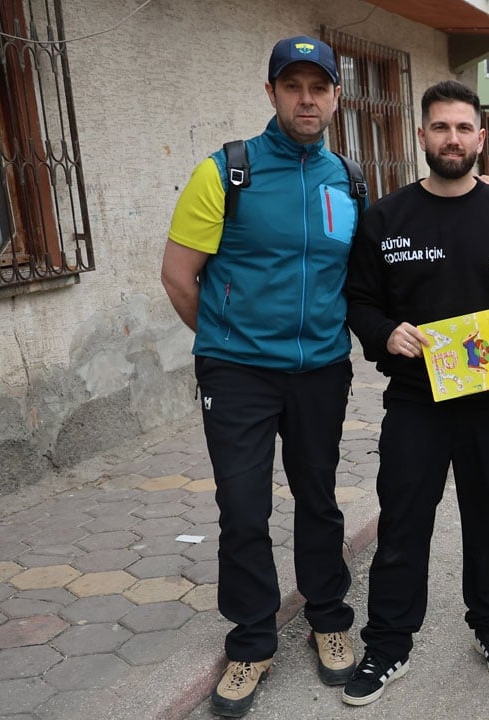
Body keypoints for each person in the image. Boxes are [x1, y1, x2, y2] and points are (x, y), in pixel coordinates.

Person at [161, 35, 360, 718]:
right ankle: (250, 642)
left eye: (319, 86)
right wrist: (226, 343)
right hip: (239, 373)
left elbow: (356, 278)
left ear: (336, 95)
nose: (307, 98)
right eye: (293, 85)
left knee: (319, 499)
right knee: (244, 508)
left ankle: (329, 620)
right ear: (271, 93)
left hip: (322, 371)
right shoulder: (226, 171)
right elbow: (178, 276)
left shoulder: (348, 180)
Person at [340, 80, 489, 706]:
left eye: (463, 128)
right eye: (440, 127)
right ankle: (388, 645)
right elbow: (359, 299)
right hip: (415, 402)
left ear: (480, 139)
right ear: (422, 135)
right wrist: (385, 333)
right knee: (403, 523)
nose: (452, 139)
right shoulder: (386, 218)